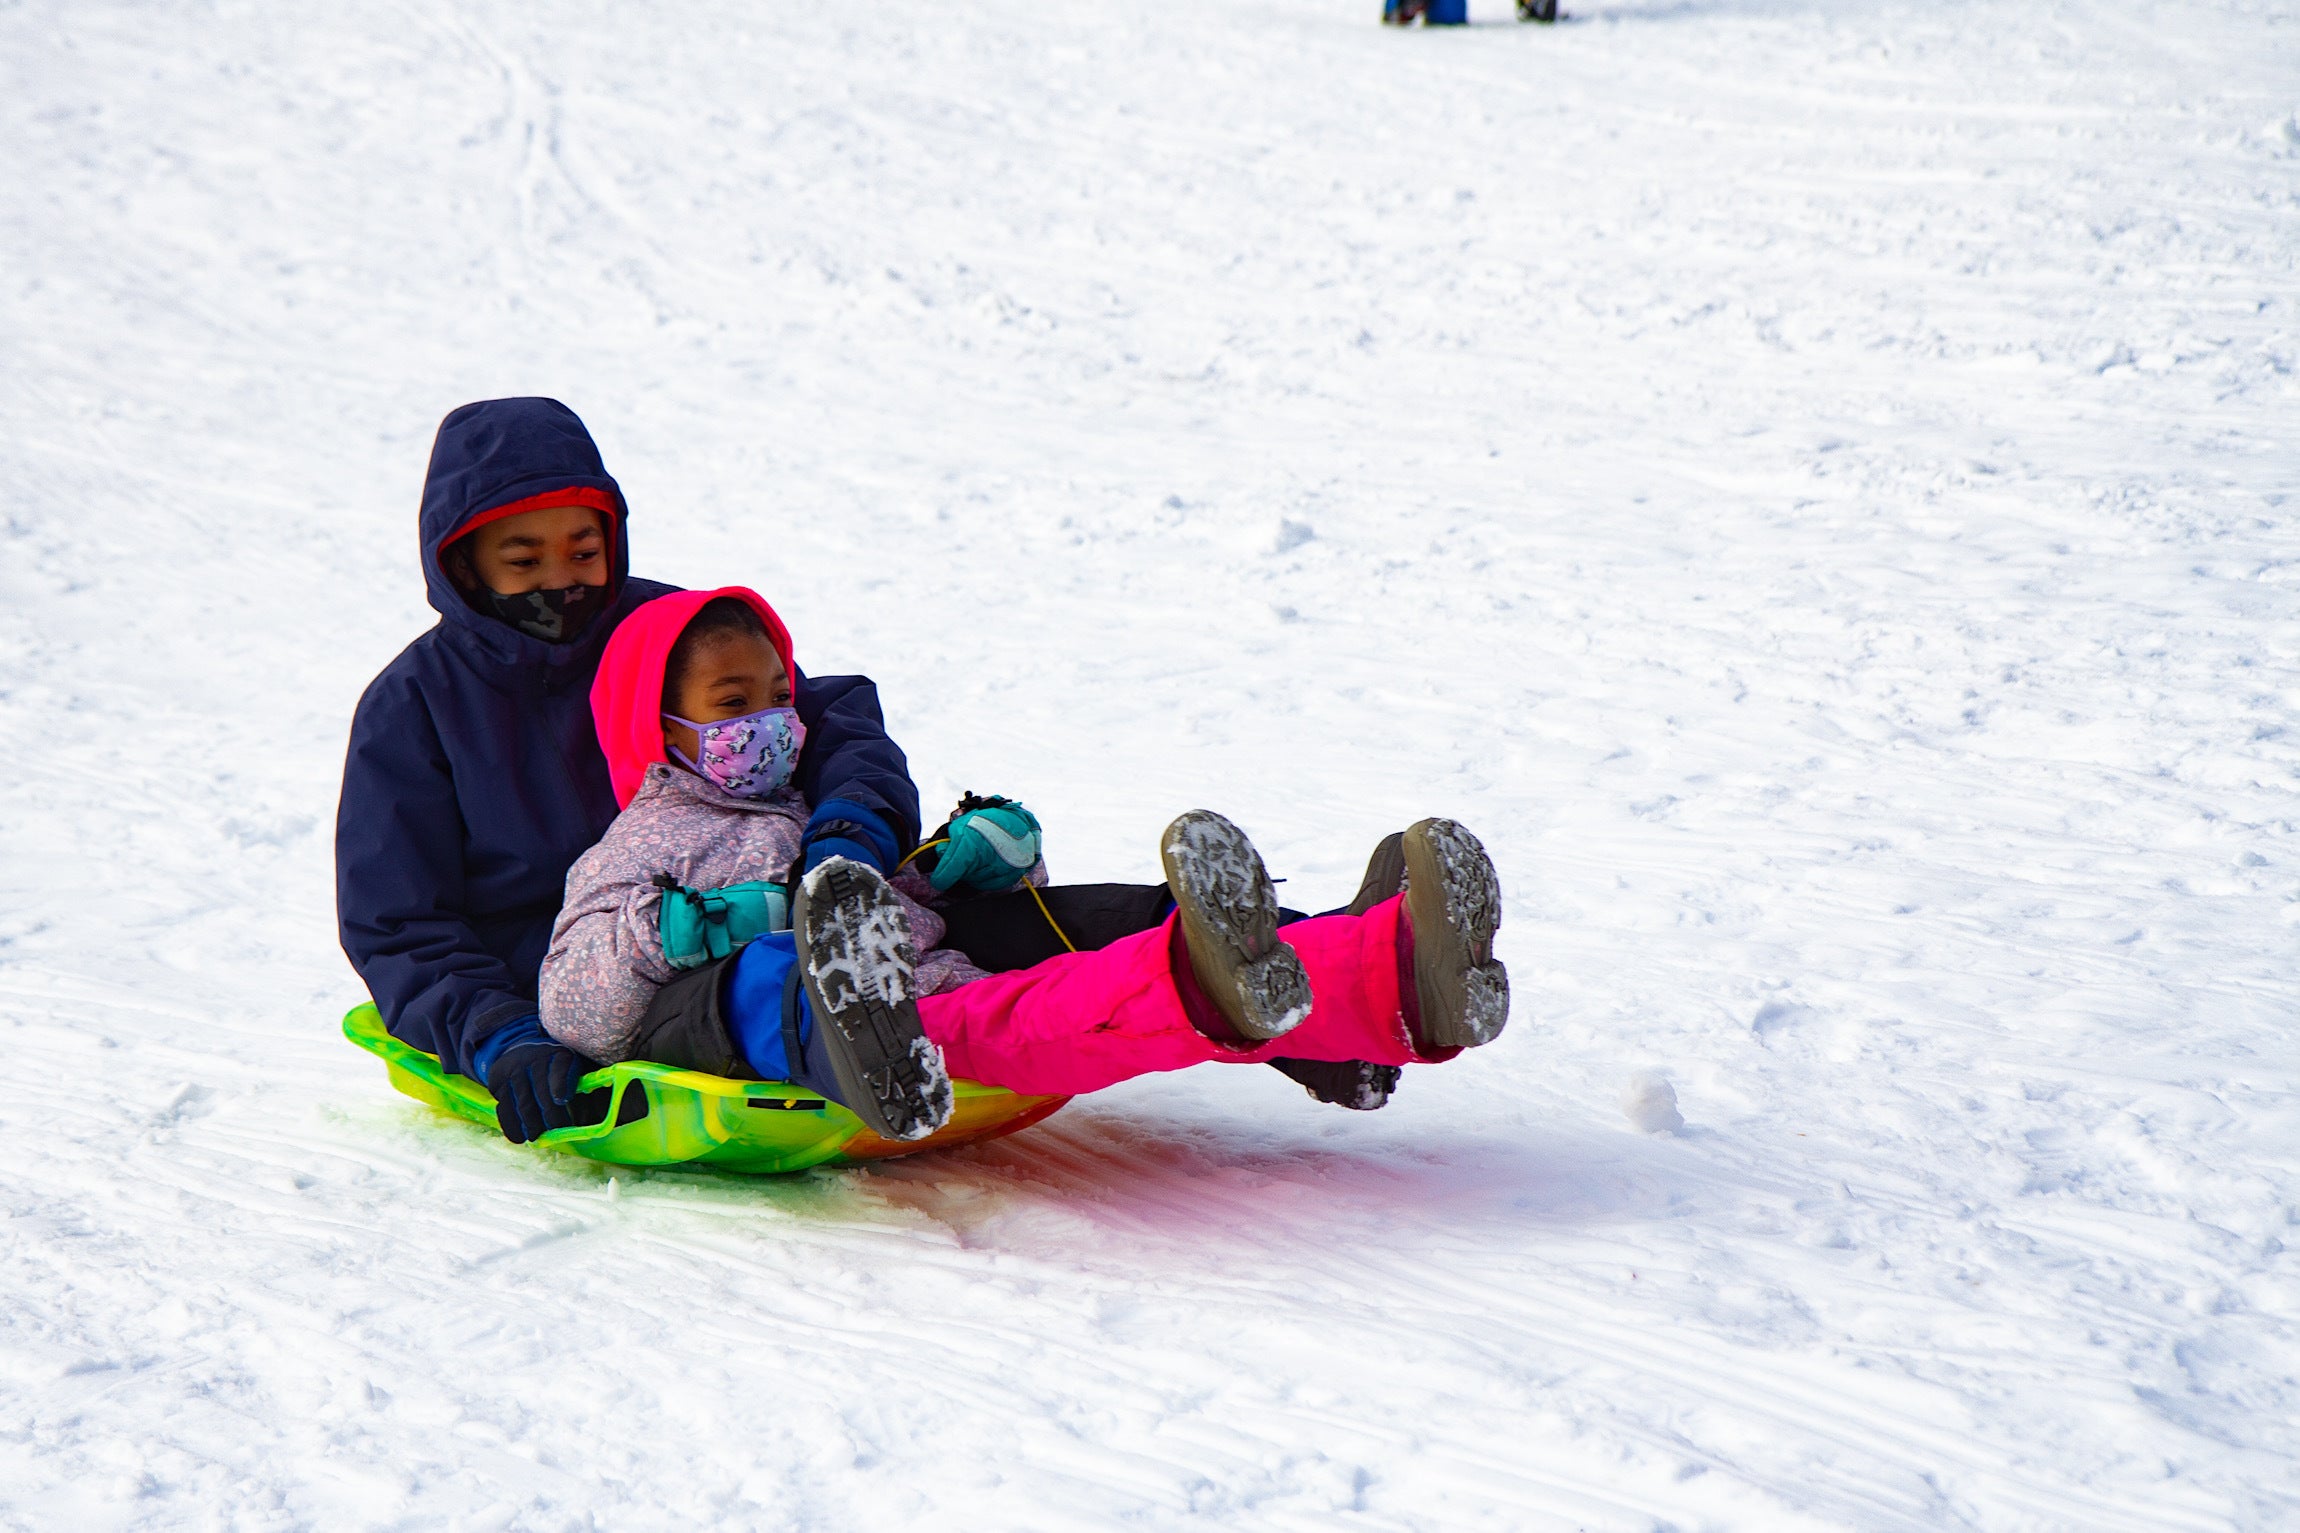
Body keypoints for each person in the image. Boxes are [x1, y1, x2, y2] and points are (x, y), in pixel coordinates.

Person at [336, 397, 1403, 1144]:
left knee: (1077, 919)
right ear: (457, 561)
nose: (565, 582)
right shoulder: (413, 713)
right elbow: (401, 927)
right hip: (637, 983)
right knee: (789, 986)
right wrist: (504, 1039)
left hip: (827, 902)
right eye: (523, 560)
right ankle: (872, 1050)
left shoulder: (664, 626)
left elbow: (832, 712)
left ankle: (1348, 984)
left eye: (583, 548)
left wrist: (851, 833)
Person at [543, 587, 1513, 1141]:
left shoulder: (807, 809)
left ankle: (1377, 975)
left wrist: (960, 866)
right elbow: (574, 999)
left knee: (1110, 923)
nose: (765, 721)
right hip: (798, 1024)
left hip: (915, 978)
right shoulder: (642, 840)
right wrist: (688, 927)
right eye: (728, 701)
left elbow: (880, 912)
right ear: (655, 728)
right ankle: (880, 1049)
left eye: (775, 694)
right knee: (774, 969)